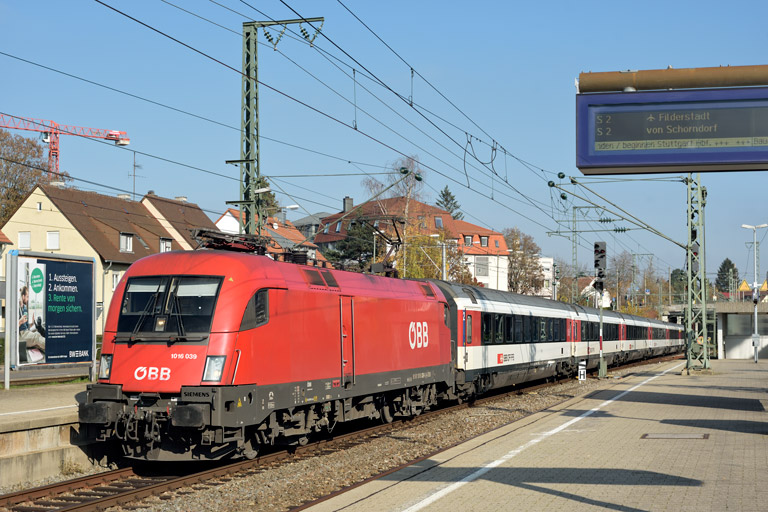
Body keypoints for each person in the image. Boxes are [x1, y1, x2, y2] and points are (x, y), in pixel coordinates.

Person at [19, 286, 46, 360]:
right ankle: (53, 347)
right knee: (36, 337)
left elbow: (25, 325)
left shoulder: (24, 308)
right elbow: (13, 328)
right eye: (27, 297)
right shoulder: (17, 308)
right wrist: (20, 321)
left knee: (38, 334)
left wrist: (32, 323)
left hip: (26, 332)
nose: (28, 299)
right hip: (20, 335)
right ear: (23, 296)